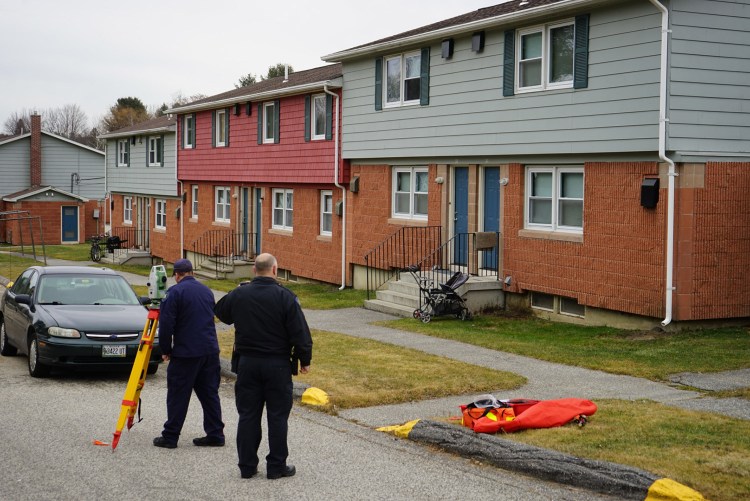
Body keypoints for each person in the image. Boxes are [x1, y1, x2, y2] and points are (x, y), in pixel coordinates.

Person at [214, 253, 313, 480]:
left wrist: (238, 291)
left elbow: (220, 311)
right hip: (277, 365)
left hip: (247, 364)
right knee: (277, 416)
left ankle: (247, 466)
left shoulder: (240, 294)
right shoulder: (285, 297)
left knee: (248, 414)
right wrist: (304, 359)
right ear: (275, 270)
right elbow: (300, 333)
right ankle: (276, 466)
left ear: (254, 270)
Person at [153, 259, 225, 449]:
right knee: (209, 393)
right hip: (209, 350)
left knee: (178, 394)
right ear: (191, 272)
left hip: (186, 352)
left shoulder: (174, 292)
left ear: (177, 275)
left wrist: (166, 349)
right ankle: (216, 433)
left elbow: (167, 325)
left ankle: (170, 436)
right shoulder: (207, 291)